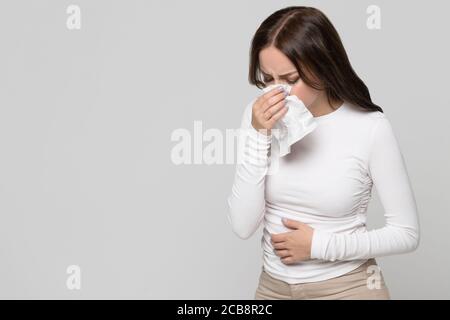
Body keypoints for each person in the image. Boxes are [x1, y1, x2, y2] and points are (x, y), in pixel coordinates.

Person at [226, 6, 420, 300]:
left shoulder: (370, 128)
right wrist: (257, 134)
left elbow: (406, 234)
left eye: (291, 80)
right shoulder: (259, 117)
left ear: (323, 67)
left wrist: (318, 246)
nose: (278, 93)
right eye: (268, 79)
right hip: (273, 288)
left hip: (349, 288)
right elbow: (243, 226)